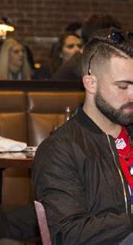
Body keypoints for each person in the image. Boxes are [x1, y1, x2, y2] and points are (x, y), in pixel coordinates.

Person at [33, 29, 133, 244]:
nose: (132, 95)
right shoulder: (60, 149)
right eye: (123, 86)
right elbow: (70, 233)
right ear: (91, 83)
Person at [52, 14, 122, 80]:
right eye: (115, 38)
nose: (117, 45)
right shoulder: (81, 66)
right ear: (103, 39)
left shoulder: (82, 61)